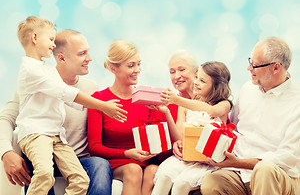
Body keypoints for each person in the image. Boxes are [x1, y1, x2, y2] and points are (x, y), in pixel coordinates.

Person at [3, 16, 127, 195]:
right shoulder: (32, 75)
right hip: (39, 144)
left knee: (94, 169)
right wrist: (6, 152)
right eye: (82, 53)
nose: (90, 58)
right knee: (42, 171)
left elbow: (70, 101)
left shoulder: (86, 86)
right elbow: (64, 93)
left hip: (65, 149)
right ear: (61, 58)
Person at [200, 37, 300, 195]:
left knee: (264, 168)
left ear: (276, 68)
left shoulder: (297, 101)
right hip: (241, 172)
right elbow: (232, 128)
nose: (248, 68)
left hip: (279, 175)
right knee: (212, 182)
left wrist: (240, 162)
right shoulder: (248, 89)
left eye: (254, 65)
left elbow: (286, 158)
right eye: (249, 61)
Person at [88, 39, 167, 195]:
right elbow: (94, 147)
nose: (137, 69)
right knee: (133, 170)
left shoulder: (147, 99)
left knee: (153, 171)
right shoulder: (99, 100)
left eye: (139, 64)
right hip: (118, 162)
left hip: (145, 161)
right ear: (113, 68)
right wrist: (126, 154)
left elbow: (159, 139)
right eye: (131, 65)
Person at [152, 61, 232, 195]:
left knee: (181, 184)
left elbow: (211, 111)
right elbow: (179, 136)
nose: (196, 82)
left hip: (206, 162)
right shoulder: (185, 104)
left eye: (202, 81)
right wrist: (166, 112)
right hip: (186, 159)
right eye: (196, 77)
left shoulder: (223, 105)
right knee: (164, 177)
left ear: (216, 85)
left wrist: (176, 100)